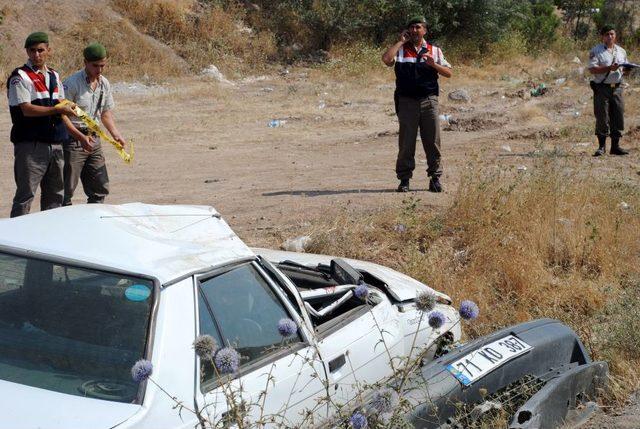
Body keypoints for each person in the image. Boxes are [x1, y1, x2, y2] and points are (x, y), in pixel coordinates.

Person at [6, 32, 79, 217]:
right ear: (27, 52)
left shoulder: (54, 75)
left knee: (55, 196)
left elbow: (60, 102)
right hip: (31, 145)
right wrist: (57, 110)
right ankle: (16, 240)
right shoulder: (20, 76)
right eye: (32, 51)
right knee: (25, 196)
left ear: (48, 50)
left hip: (55, 144)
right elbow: (26, 109)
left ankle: (49, 238)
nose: (36, 55)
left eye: (40, 50)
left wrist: (69, 107)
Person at [382, 15, 452, 193]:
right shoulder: (401, 49)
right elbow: (386, 60)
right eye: (411, 27)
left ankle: (435, 178)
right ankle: (404, 179)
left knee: (432, 140)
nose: (414, 30)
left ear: (425, 30)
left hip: (429, 100)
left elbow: (448, 73)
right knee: (406, 141)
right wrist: (399, 42)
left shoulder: (434, 50)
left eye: (418, 27)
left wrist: (433, 64)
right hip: (406, 101)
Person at [62, 42, 125, 205]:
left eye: (103, 65)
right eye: (95, 65)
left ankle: (94, 220)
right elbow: (62, 116)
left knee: (100, 186)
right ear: (85, 63)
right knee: (65, 189)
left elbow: (105, 113)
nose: (99, 70)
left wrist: (115, 135)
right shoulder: (72, 83)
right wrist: (80, 137)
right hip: (74, 139)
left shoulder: (104, 83)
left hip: (94, 138)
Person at [588, 24, 630, 156]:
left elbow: (624, 69)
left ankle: (615, 147)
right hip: (602, 87)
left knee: (618, 115)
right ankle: (601, 147)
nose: (610, 36)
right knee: (602, 116)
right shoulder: (596, 51)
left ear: (615, 35)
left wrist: (627, 70)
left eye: (612, 34)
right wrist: (608, 68)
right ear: (602, 36)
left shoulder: (621, 51)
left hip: (617, 87)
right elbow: (592, 69)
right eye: (607, 34)